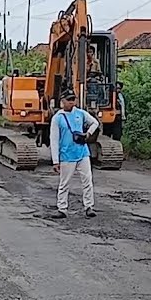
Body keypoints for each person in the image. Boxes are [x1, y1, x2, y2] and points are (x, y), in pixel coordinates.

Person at [49, 89, 100, 218]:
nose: (72, 102)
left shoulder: (81, 114)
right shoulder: (57, 118)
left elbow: (95, 122)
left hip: (82, 152)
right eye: (69, 100)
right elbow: (54, 140)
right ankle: (62, 208)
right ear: (63, 101)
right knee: (64, 183)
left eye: (73, 99)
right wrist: (55, 160)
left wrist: (88, 133)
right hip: (67, 154)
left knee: (87, 180)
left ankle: (89, 206)